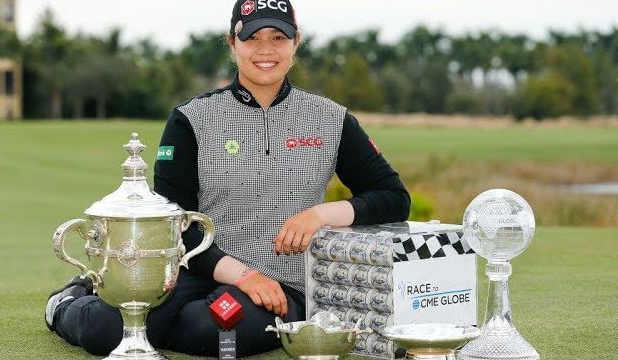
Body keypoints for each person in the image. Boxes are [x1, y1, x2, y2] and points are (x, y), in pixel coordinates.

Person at [44, 0, 411, 357]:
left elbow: (393, 196)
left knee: (220, 331)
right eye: (252, 38)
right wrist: (244, 275)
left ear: (296, 43)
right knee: (106, 331)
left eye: (278, 38)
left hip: (281, 286)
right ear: (232, 43)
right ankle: (69, 301)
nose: (265, 50)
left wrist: (320, 215)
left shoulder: (330, 118)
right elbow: (177, 223)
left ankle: (163, 325)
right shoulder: (191, 119)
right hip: (198, 268)